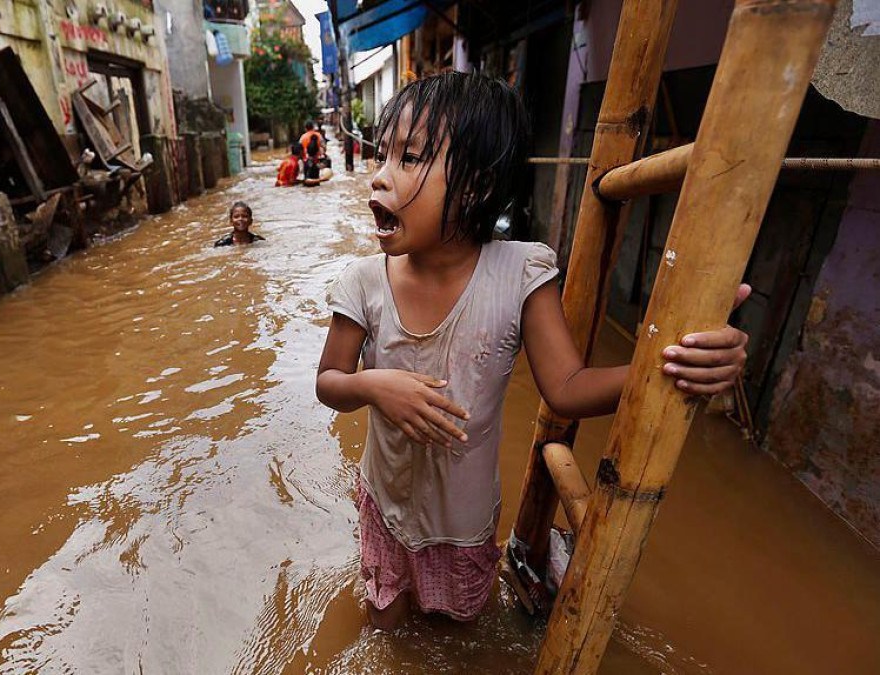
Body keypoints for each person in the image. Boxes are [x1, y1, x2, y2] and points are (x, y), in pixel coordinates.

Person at [315, 72, 750, 630]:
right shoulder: (363, 281)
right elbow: (329, 380)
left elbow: (567, 389)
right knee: (385, 627)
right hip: (386, 504)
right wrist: (374, 386)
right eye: (383, 156)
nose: (377, 178)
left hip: (462, 522)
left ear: (474, 185)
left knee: (456, 637)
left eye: (408, 158)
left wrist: (667, 360)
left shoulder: (521, 272)